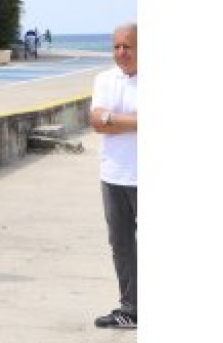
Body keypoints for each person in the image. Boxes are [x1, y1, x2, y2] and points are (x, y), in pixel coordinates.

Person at [89, 22, 138, 329]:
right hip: (113, 175)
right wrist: (132, 120)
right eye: (117, 47)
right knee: (121, 245)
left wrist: (112, 119)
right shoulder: (104, 79)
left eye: (128, 46)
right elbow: (95, 121)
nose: (122, 53)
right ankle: (130, 309)